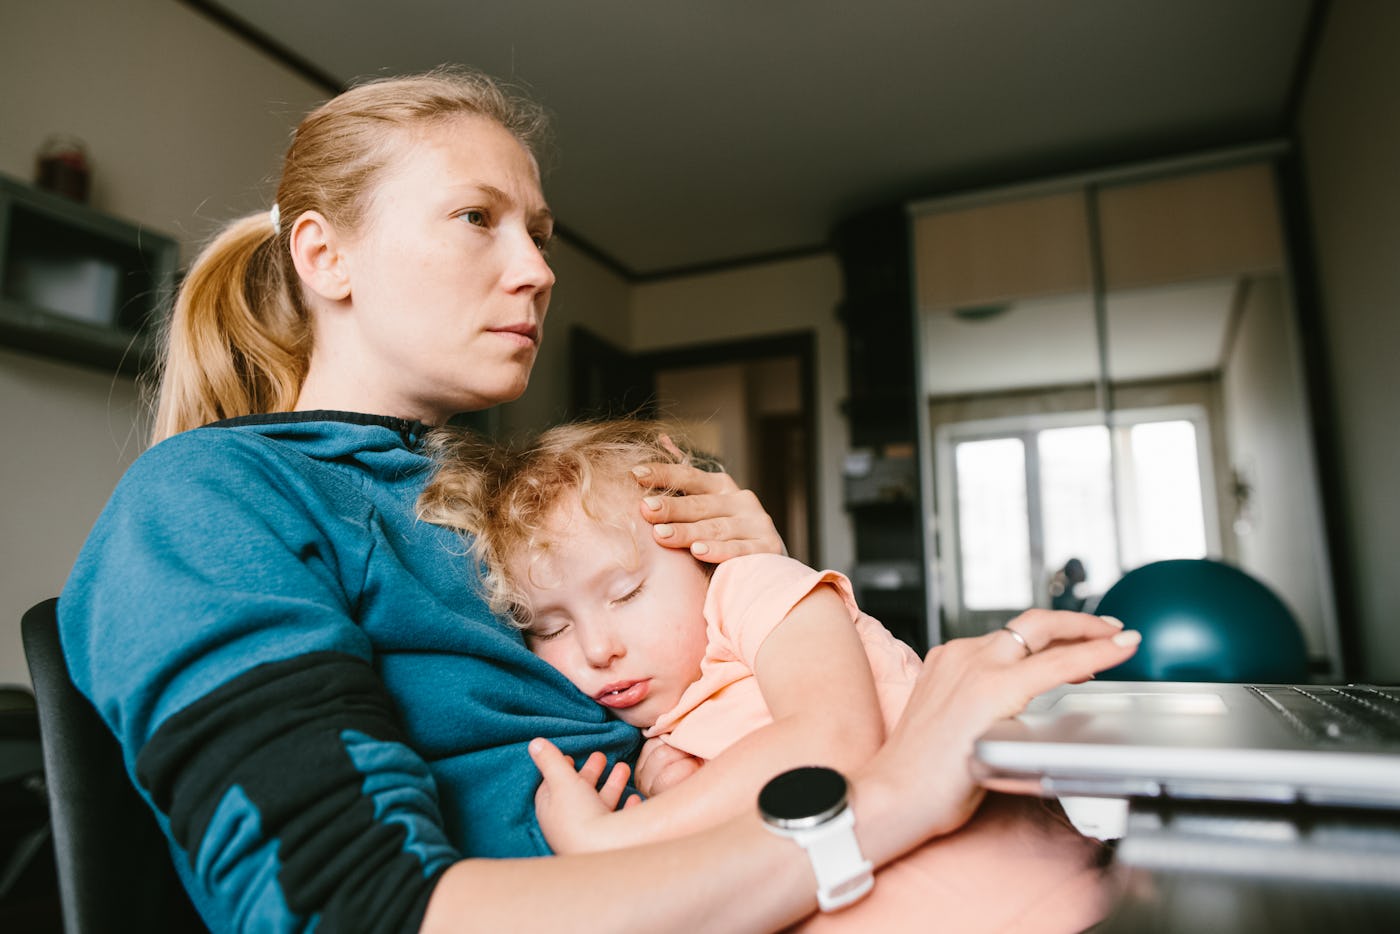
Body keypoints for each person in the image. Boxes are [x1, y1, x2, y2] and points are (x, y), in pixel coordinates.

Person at [57, 66, 1141, 932]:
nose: (535, 269)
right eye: (477, 217)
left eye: (539, 232)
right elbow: (360, 910)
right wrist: (891, 796)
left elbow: (740, 699)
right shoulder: (210, 501)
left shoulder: (512, 504)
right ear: (323, 254)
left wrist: (758, 585)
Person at [416, 418, 1116, 932]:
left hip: (1026, 901)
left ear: (702, 551)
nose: (597, 648)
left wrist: (610, 842)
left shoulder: (756, 588)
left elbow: (830, 743)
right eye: (551, 628)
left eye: (627, 593)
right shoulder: (663, 746)